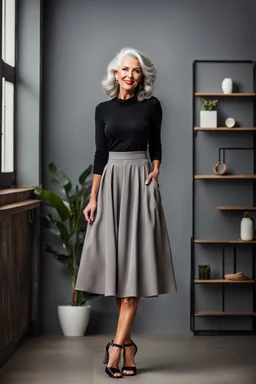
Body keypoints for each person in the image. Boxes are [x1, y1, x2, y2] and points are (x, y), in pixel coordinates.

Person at [75, 47, 177, 379]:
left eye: (135, 71)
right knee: (118, 271)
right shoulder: (102, 109)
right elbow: (100, 154)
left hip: (140, 181)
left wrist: (157, 168)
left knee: (135, 266)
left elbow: (157, 144)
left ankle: (115, 348)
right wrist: (93, 198)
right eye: (124, 70)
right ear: (115, 74)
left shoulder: (152, 106)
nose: (129, 76)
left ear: (141, 76)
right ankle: (129, 345)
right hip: (111, 186)